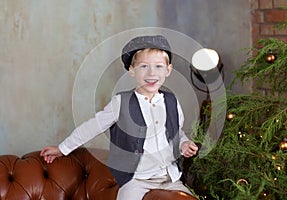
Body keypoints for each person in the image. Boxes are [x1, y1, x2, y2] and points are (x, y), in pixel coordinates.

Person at [40, 35, 198, 200]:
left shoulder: (172, 101)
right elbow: (93, 126)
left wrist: (184, 144)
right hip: (136, 180)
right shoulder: (121, 102)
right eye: (144, 66)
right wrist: (62, 148)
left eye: (158, 66)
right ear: (132, 70)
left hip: (170, 178)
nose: (152, 73)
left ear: (168, 70)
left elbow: (176, 133)